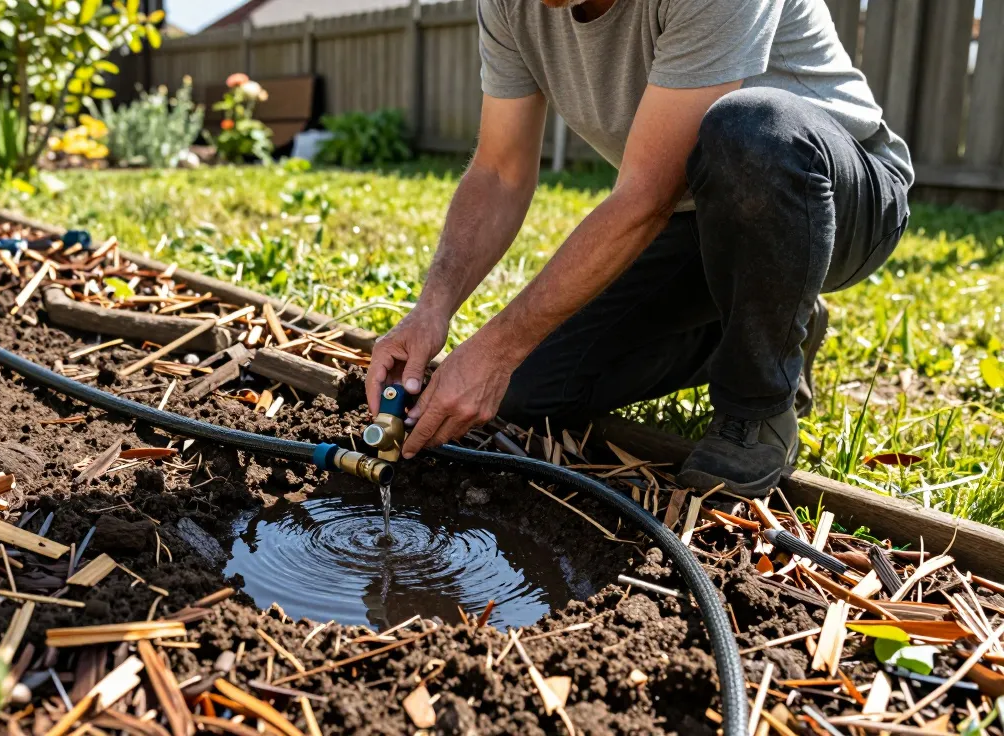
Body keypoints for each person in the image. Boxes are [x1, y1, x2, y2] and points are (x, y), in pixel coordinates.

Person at [365, 0, 912, 497]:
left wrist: (494, 349)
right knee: (530, 390)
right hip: (691, 213)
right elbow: (500, 171)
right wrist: (432, 309)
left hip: (830, 196)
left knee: (751, 128)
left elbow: (643, 197)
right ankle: (764, 321)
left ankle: (758, 404)